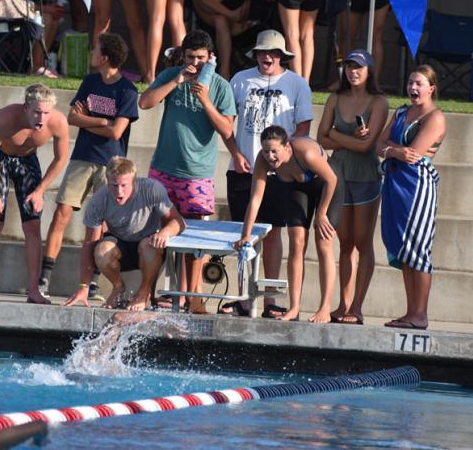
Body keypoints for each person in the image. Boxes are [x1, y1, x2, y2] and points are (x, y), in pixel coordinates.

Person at [138, 29, 235, 312]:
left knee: (194, 240)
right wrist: (178, 79)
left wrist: (204, 99)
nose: (195, 63)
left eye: (201, 58)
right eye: (191, 57)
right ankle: (149, 294)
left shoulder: (220, 86)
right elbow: (144, 103)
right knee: (156, 235)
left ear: (211, 57)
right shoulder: (173, 75)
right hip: (163, 169)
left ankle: (193, 298)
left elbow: (227, 129)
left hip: (197, 173)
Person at [221, 29, 313, 317]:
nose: (267, 57)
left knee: (273, 235)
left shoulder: (297, 84)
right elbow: (227, 123)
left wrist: (284, 161)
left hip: (280, 173)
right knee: (243, 234)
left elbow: (303, 129)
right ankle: (243, 296)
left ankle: (270, 299)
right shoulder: (240, 79)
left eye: (273, 53)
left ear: (282, 56)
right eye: (262, 52)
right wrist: (236, 153)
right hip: (243, 168)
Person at [40, 33, 138, 299]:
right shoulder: (90, 82)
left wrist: (90, 118)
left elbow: (117, 133)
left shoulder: (127, 91)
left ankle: (93, 283)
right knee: (62, 212)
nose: (91, 52)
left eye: (95, 49)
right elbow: (72, 118)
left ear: (105, 57)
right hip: (83, 157)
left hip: (111, 165)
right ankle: (44, 278)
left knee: (99, 225)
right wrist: (102, 122)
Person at [234, 126, 341, 322]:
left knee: (323, 241)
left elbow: (332, 180)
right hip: (297, 187)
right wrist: (245, 235)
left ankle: (325, 308)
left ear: (287, 147)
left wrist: (322, 213)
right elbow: (255, 199)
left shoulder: (306, 154)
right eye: (266, 151)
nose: (270, 156)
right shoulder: (262, 160)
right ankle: (294, 308)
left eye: (275, 151)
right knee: (296, 240)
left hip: (326, 186)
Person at [0, 84, 70, 304]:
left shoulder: (58, 123)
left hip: (28, 161)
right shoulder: (5, 119)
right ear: (25, 107)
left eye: (46, 113)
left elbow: (60, 159)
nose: (41, 118)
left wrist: (40, 191)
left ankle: (34, 291)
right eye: (37, 112)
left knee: (32, 225)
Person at [318, 49, 388, 325]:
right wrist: (339, 137)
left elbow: (365, 147)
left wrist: (334, 134)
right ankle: (343, 305)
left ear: (369, 70)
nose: (353, 71)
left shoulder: (379, 102)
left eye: (358, 67)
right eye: (348, 67)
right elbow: (319, 140)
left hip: (367, 176)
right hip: (338, 175)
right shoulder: (335, 98)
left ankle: (357, 307)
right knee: (345, 242)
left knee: (362, 241)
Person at [62, 157, 186, 311]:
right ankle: (118, 287)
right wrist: (83, 287)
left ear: (134, 181)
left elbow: (178, 222)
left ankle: (143, 292)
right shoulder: (99, 200)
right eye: (114, 185)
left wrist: (165, 232)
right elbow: (90, 244)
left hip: (150, 247)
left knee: (148, 245)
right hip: (120, 247)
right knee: (101, 251)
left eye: (124, 185)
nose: (119, 192)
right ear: (107, 181)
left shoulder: (152, 189)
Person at [377, 65, 445, 330]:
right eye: (410, 83)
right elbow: (379, 145)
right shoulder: (401, 112)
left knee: (418, 250)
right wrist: (394, 151)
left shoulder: (435, 117)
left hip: (417, 187)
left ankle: (421, 314)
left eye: (419, 84)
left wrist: (390, 150)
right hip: (395, 183)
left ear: (431, 88)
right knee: (403, 249)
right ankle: (409, 313)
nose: (413, 88)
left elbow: (414, 154)